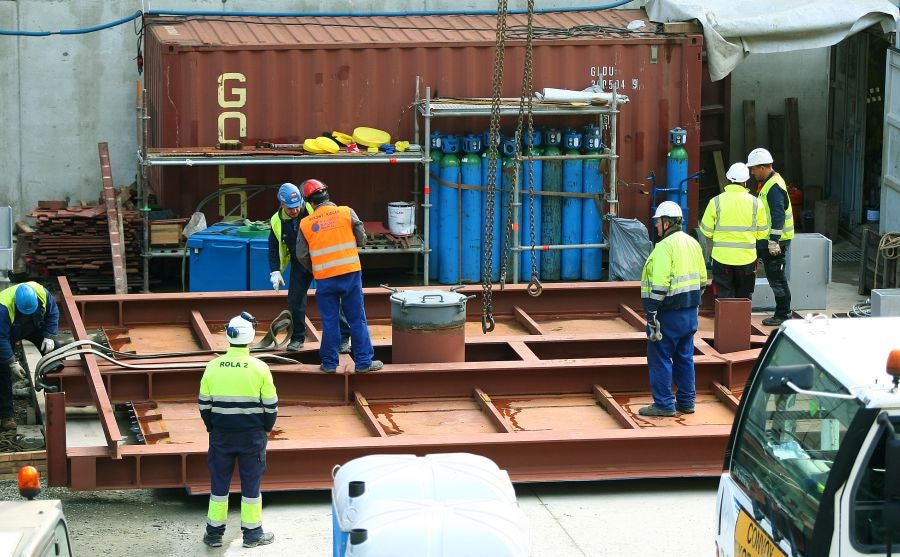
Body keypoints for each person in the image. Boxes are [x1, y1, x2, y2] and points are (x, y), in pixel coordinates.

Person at [198, 312, 277, 548]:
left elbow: (204, 405)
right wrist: (265, 429)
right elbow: (271, 407)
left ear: (228, 336)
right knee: (251, 484)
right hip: (252, 435)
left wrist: (213, 427)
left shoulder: (212, 367)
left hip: (221, 434)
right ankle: (252, 535)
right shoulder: (260, 368)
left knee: (219, 484)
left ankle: (213, 534)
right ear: (251, 337)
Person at [296, 179, 383, 373]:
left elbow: (301, 255)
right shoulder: (346, 212)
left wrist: (318, 267)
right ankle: (363, 362)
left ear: (309, 202)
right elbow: (362, 239)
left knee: (330, 321)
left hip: (324, 279)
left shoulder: (305, 223)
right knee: (357, 319)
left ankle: (329, 363)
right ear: (327, 195)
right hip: (350, 275)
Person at [639, 201, 707, 417]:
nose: (656, 226)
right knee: (684, 356)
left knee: (659, 356)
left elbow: (659, 285)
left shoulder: (664, 247)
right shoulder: (692, 243)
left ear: (666, 222)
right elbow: (703, 280)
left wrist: (651, 313)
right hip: (689, 313)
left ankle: (664, 404)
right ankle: (687, 402)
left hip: (668, 314)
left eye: (658, 222)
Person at [268, 182, 351, 353]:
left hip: (322, 260)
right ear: (281, 204)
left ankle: (344, 338)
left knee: (334, 297)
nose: (295, 210)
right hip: (300, 263)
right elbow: (273, 246)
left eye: (297, 206)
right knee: (295, 300)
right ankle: (297, 337)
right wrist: (275, 270)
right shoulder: (277, 221)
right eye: (290, 208)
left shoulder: (314, 209)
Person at [699, 162, 768, 300]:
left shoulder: (716, 201)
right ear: (745, 182)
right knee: (744, 298)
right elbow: (763, 234)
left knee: (724, 298)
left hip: (722, 258)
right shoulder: (756, 203)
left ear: (729, 180)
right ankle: (740, 321)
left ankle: (726, 321)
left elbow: (706, 231)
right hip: (747, 259)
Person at [0, 282, 59, 431]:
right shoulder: (3, 307)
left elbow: (53, 312)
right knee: (2, 371)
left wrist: (49, 335)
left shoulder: (42, 292)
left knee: (57, 353)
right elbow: (1, 338)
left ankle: (58, 394)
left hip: (34, 326)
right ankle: (7, 415)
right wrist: (12, 362)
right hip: (9, 334)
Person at [747, 148, 794, 326]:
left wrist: (774, 241)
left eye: (753, 168)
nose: (752, 172)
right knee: (775, 277)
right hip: (769, 240)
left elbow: (778, 214)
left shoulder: (773, 186)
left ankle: (783, 314)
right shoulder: (769, 183)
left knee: (777, 278)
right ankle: (783, 313)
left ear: (762, 167)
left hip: (775, 242)